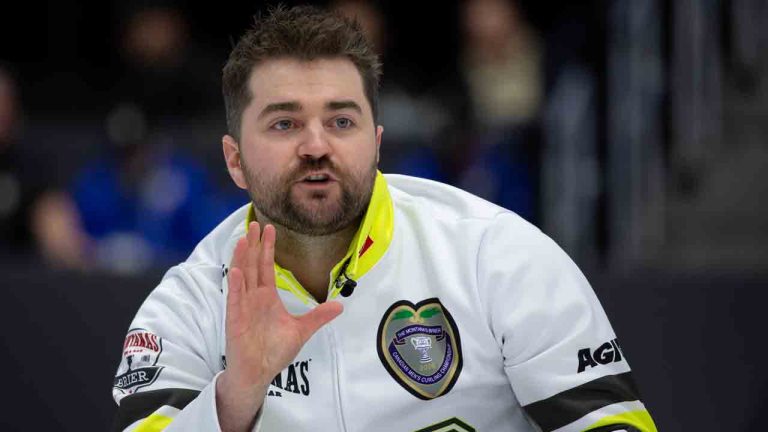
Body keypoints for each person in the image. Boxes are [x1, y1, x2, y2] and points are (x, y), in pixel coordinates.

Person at [111, 6, 656, 432]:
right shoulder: (190, 303)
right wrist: (236, 394)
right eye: (284, 124)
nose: (316, 146)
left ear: (375, 144)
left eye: (341, 121)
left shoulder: (497, 256)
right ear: (234, 160)